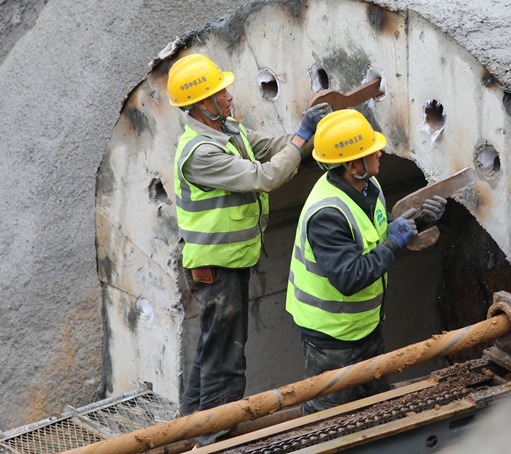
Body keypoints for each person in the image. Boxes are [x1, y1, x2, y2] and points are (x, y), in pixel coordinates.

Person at [167, 53, 329, 433]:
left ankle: (187, 431)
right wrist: (303, 137)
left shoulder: (227, 131)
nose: (229, 97)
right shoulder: (201, 154)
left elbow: (273, 147)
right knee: (226, 360)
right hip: (215, 269)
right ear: (202, 105)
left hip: (229, 263)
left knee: (213, 348)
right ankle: (217, 440)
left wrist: (307, 134)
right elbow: (266, 177)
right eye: (221, 93)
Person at [285, 109, 447, 414]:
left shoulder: (369, 188)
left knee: (374, 408)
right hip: (331, 338)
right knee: (329, 421)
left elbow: (373, 239)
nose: (381, 152)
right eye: (371, 150)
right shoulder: (327, 214)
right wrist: (394, 241)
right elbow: (350, 277)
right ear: (352, 164)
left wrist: (421, 221)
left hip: (365, 327)